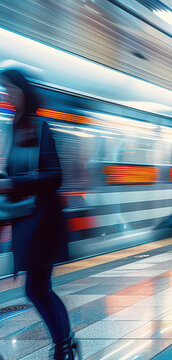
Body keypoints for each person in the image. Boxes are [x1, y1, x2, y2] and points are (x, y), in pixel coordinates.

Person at [1, 70, 76, 360]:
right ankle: (64, 344)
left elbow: (55, 176)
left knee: (37, 288)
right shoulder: (14, 127)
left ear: (23, 91)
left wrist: (12, 183)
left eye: (10, 89)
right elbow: (15, 174)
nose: (7, 95)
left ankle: (65, 344)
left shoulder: (39, 127)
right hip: (26, 221)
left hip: (43, 222)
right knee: (37, 288)